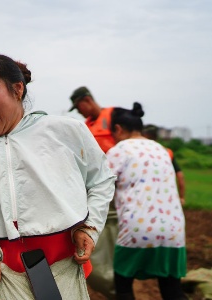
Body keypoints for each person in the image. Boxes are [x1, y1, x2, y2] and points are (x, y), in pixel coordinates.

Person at [0, 54, 116, 299]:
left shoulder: (65, 131)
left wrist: (89, 227)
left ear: (17, 89)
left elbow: (100, 180)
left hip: (62, 265)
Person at [106, 102, 188, 300]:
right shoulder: (161, 149)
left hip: (138, 230)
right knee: (172, 290)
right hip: (174, 231)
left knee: (123, 284)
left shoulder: (120, 150)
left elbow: (100, 185)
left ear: (118, 129)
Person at [69, 86, 118, 299]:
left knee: (115, 230)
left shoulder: (112, 115)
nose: (79, 112)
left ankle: (119, 273)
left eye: (79, 106)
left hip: (117, 184)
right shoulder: (86, 126)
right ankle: (106, 274)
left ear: (87, 100)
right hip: (94, 185)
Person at [143, 124, 186, 205]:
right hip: (165, 195)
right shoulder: (167, 152)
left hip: (144, 195)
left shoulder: (138, 152)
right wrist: (181, 197)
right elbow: (180, 176)